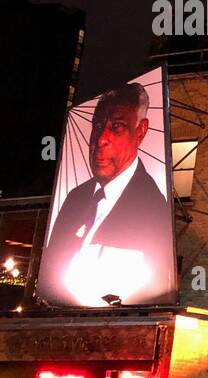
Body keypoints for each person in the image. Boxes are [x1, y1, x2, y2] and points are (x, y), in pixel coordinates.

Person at [37, 81, 175, 307]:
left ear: (140, 132)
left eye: (117, 126)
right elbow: (50, 278)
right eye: (98, 125)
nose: (101, 139)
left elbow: (152, 294)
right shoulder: (74, 199)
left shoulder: (154, 208)